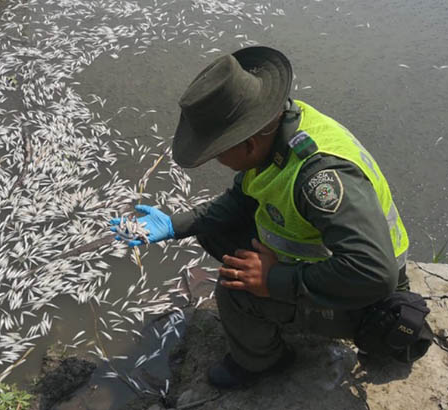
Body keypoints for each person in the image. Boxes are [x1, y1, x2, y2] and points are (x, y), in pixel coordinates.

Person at [110, 46, 411, 389]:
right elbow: (241, 199)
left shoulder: (320, 179)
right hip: (329, 259)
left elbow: (375, 274)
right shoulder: (281, 130)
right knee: (215, 230)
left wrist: (276, 280)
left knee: (233, 288)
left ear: (249, 143)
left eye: (218, 153)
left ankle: (263, 362)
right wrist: (175, 225)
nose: (216, 161)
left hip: (365, 294)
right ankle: (279, 311)